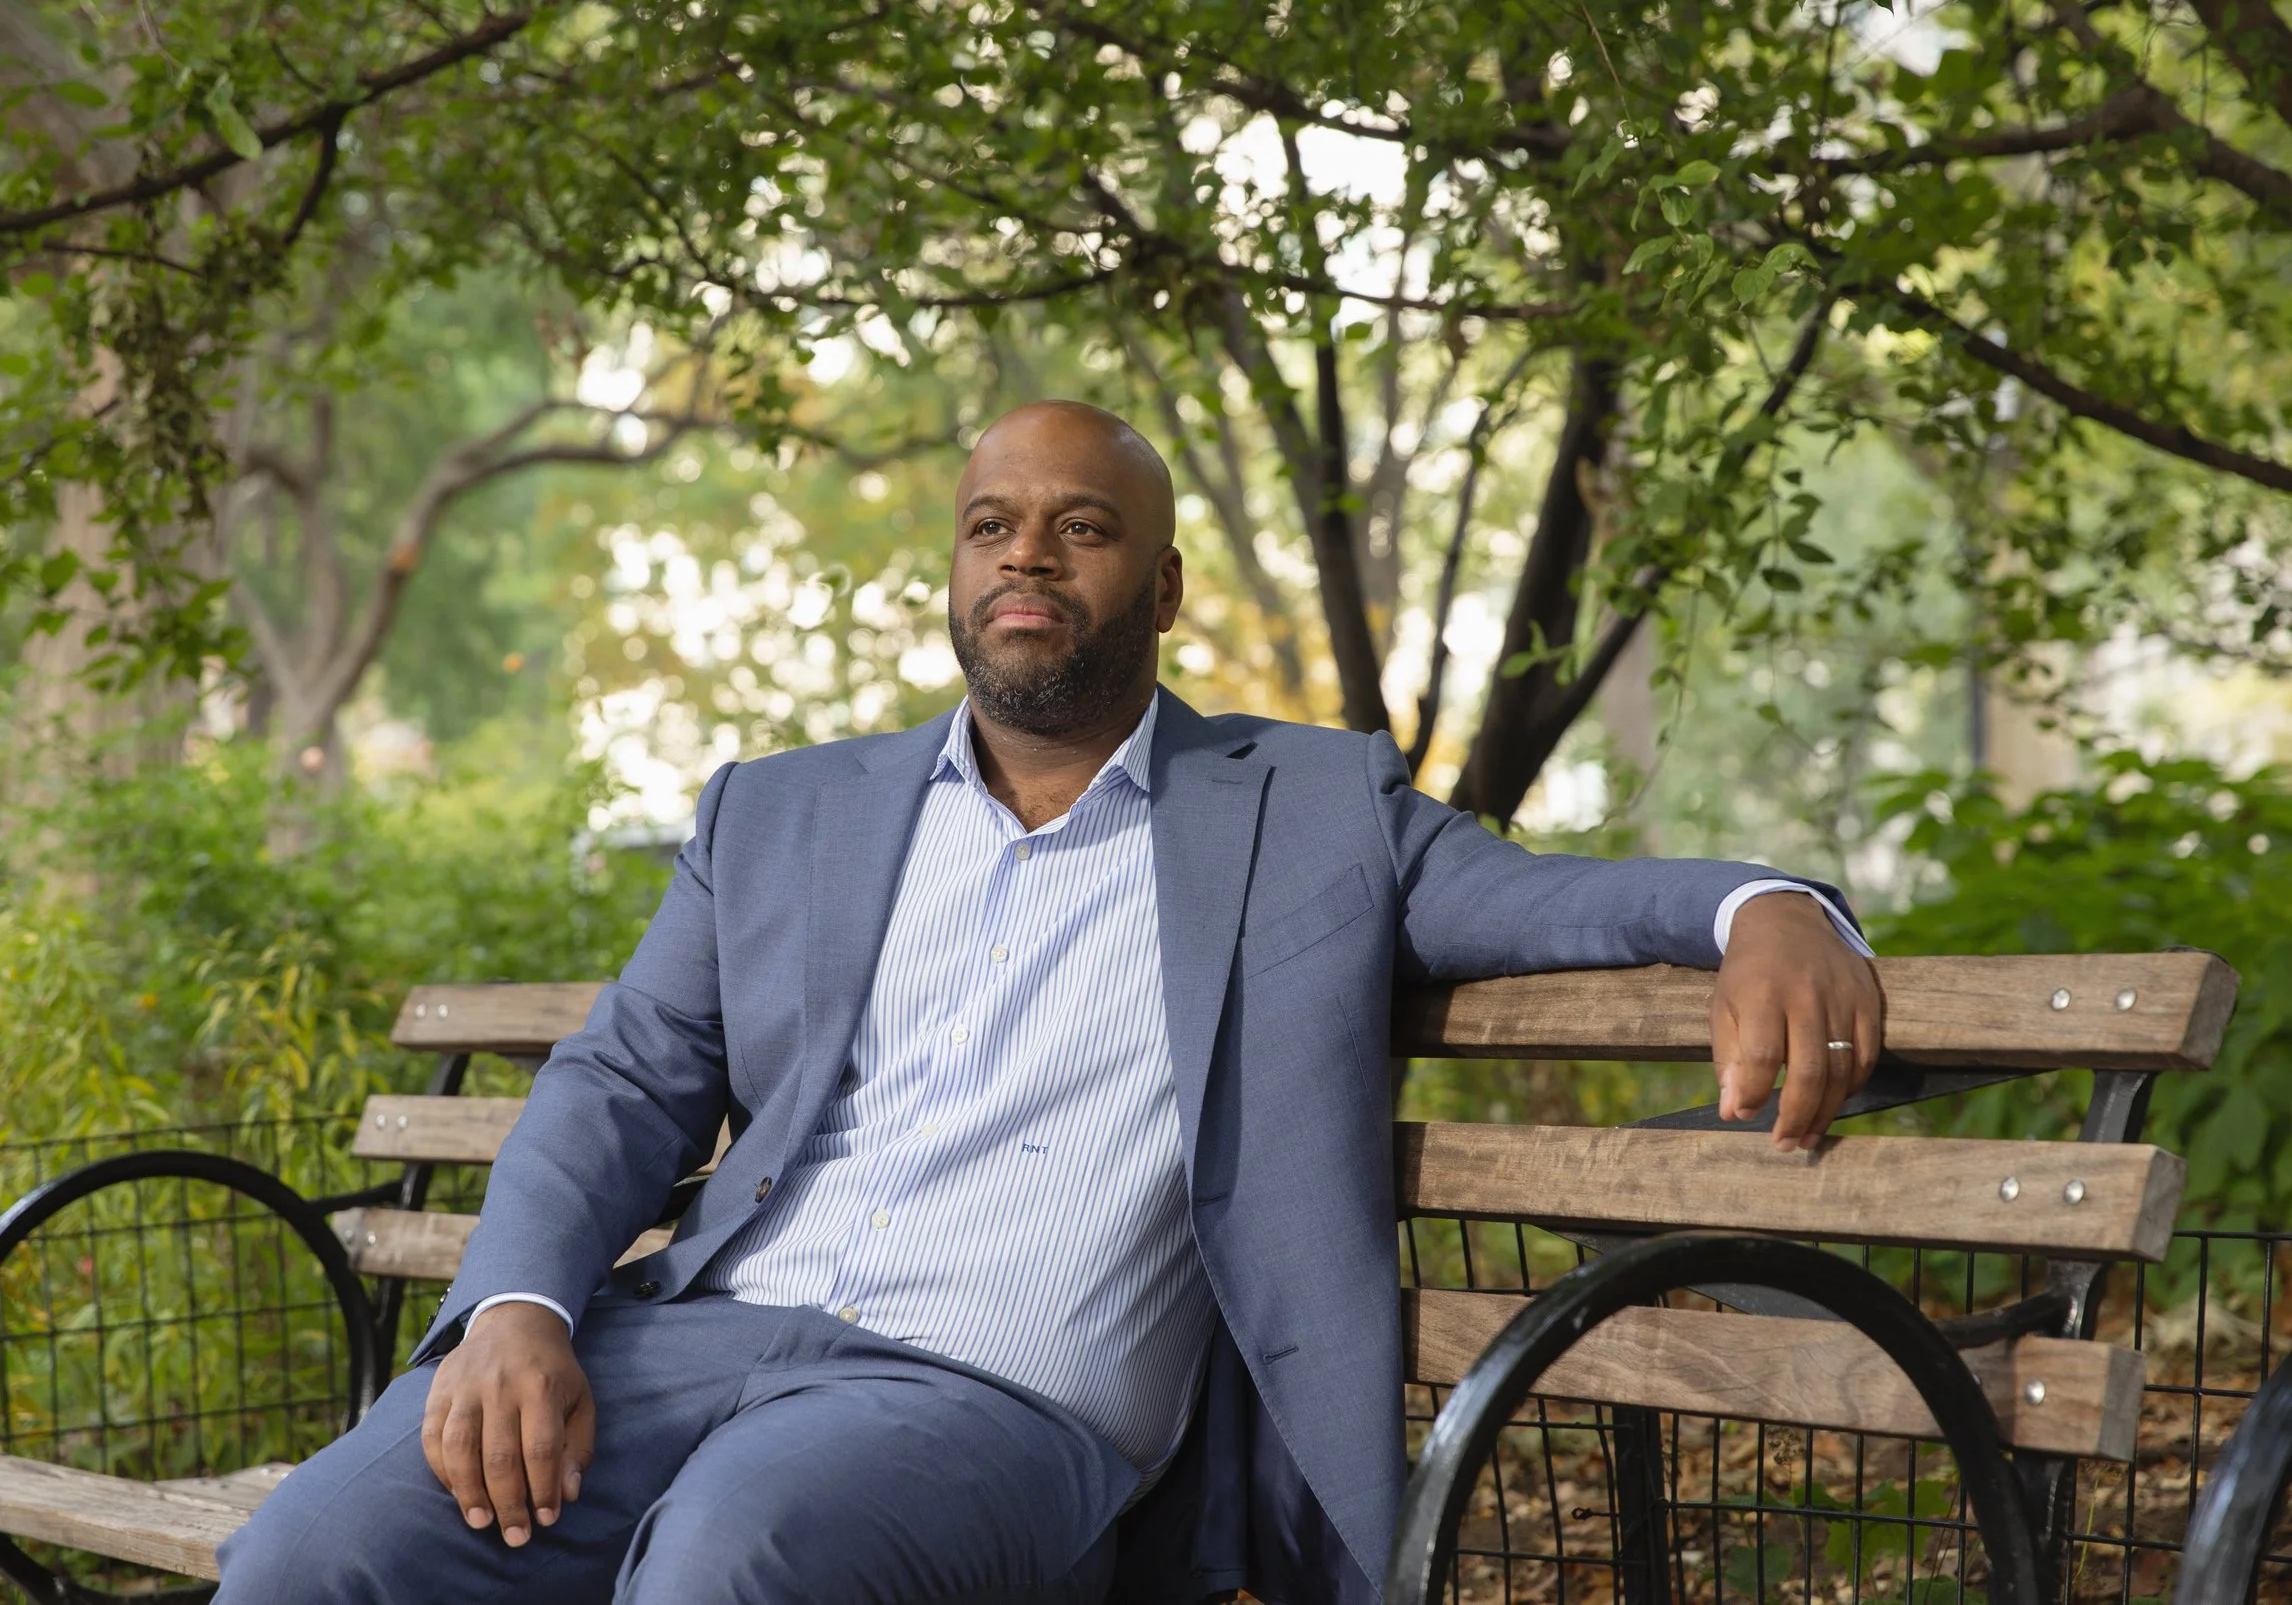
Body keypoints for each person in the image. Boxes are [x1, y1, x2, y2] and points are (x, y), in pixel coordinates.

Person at [214, 401, 1880, 1605]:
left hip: (991, 1398)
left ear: (1161, 587)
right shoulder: (780, 813)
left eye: (1082, 526)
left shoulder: (1310, 813)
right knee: (310, 1551)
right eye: (991, 522)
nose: (1028, 550)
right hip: (693, 1339)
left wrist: (1767, 904)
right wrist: (517, 1304)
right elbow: (622, 1079)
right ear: (954, 570)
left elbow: (1547, 897)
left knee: (731, 1557)